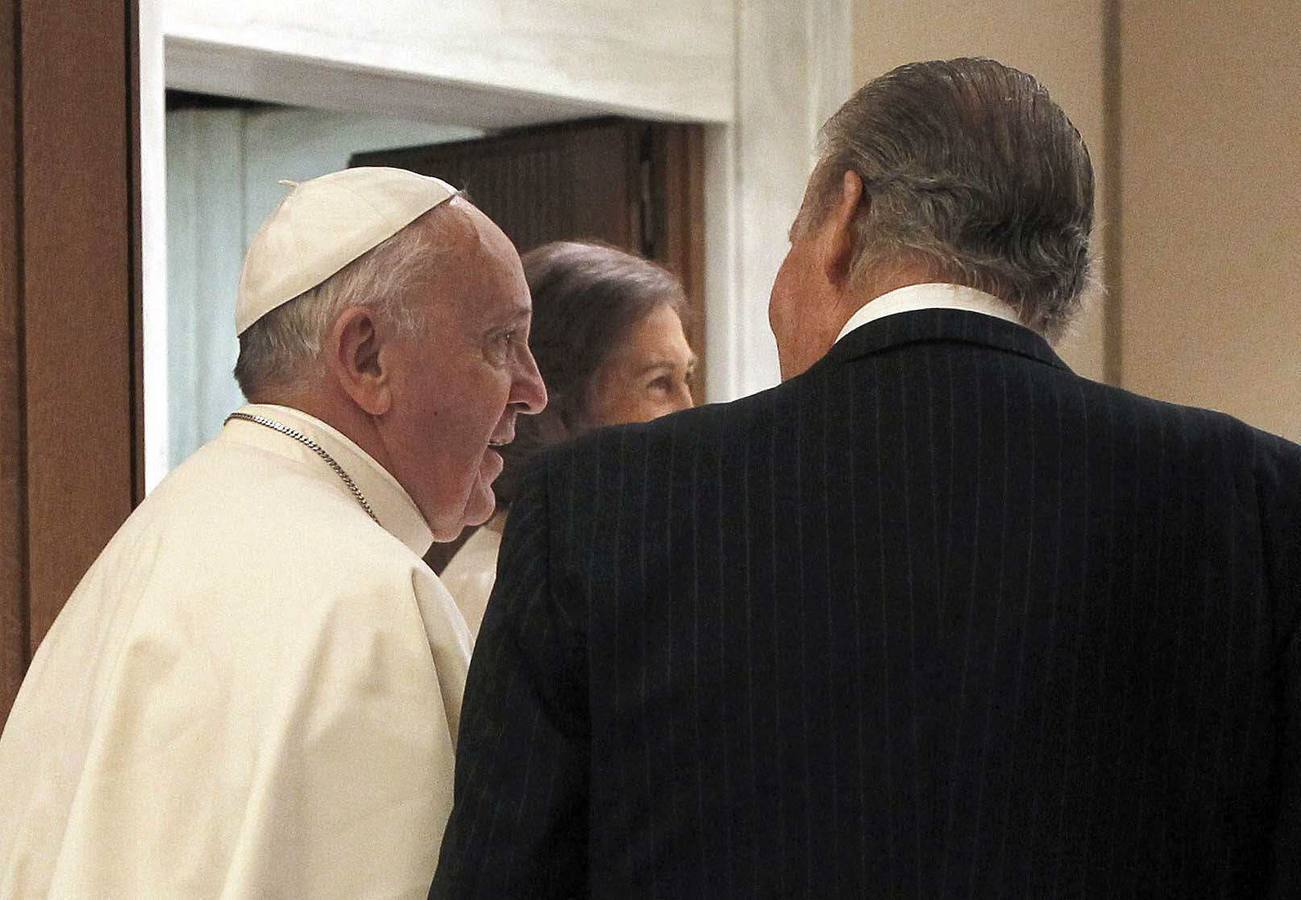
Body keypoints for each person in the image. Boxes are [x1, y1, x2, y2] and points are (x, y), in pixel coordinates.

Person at [431, 58, 1301, 897]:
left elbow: (506, 875)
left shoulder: (599, 505)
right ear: (1062, 276)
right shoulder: (1257, 501)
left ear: (844, 216)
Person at [0, 167, 546, 897]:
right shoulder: (367, 598)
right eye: (500, 342)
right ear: (366, 358)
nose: (533, 390)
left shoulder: (158, 531)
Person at [439, 241, 695, 639]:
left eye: (687, 379)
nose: (691, 412)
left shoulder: (609, 568)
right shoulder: (496, 593)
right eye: (659, 383)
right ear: (558, 403)